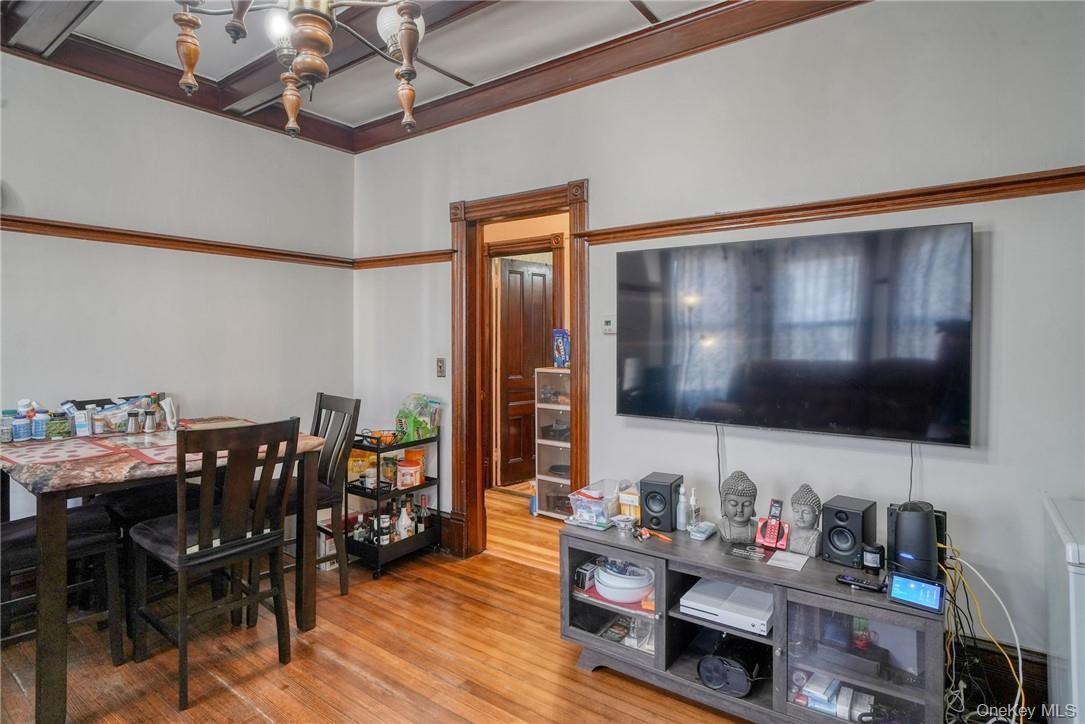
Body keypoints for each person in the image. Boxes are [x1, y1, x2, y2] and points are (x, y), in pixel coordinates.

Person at [717, 470, 758, 543]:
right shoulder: (721, 525)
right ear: (724, 503)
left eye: (747, 504)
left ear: (753, 504)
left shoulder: (756, 527)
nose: (740, 510)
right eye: (733, 504)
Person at [788, 483, 822, 557]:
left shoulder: (817, 536)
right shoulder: (792, 532)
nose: (800, 516)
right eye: (796, 511)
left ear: (817, 514)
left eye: (806, 512)